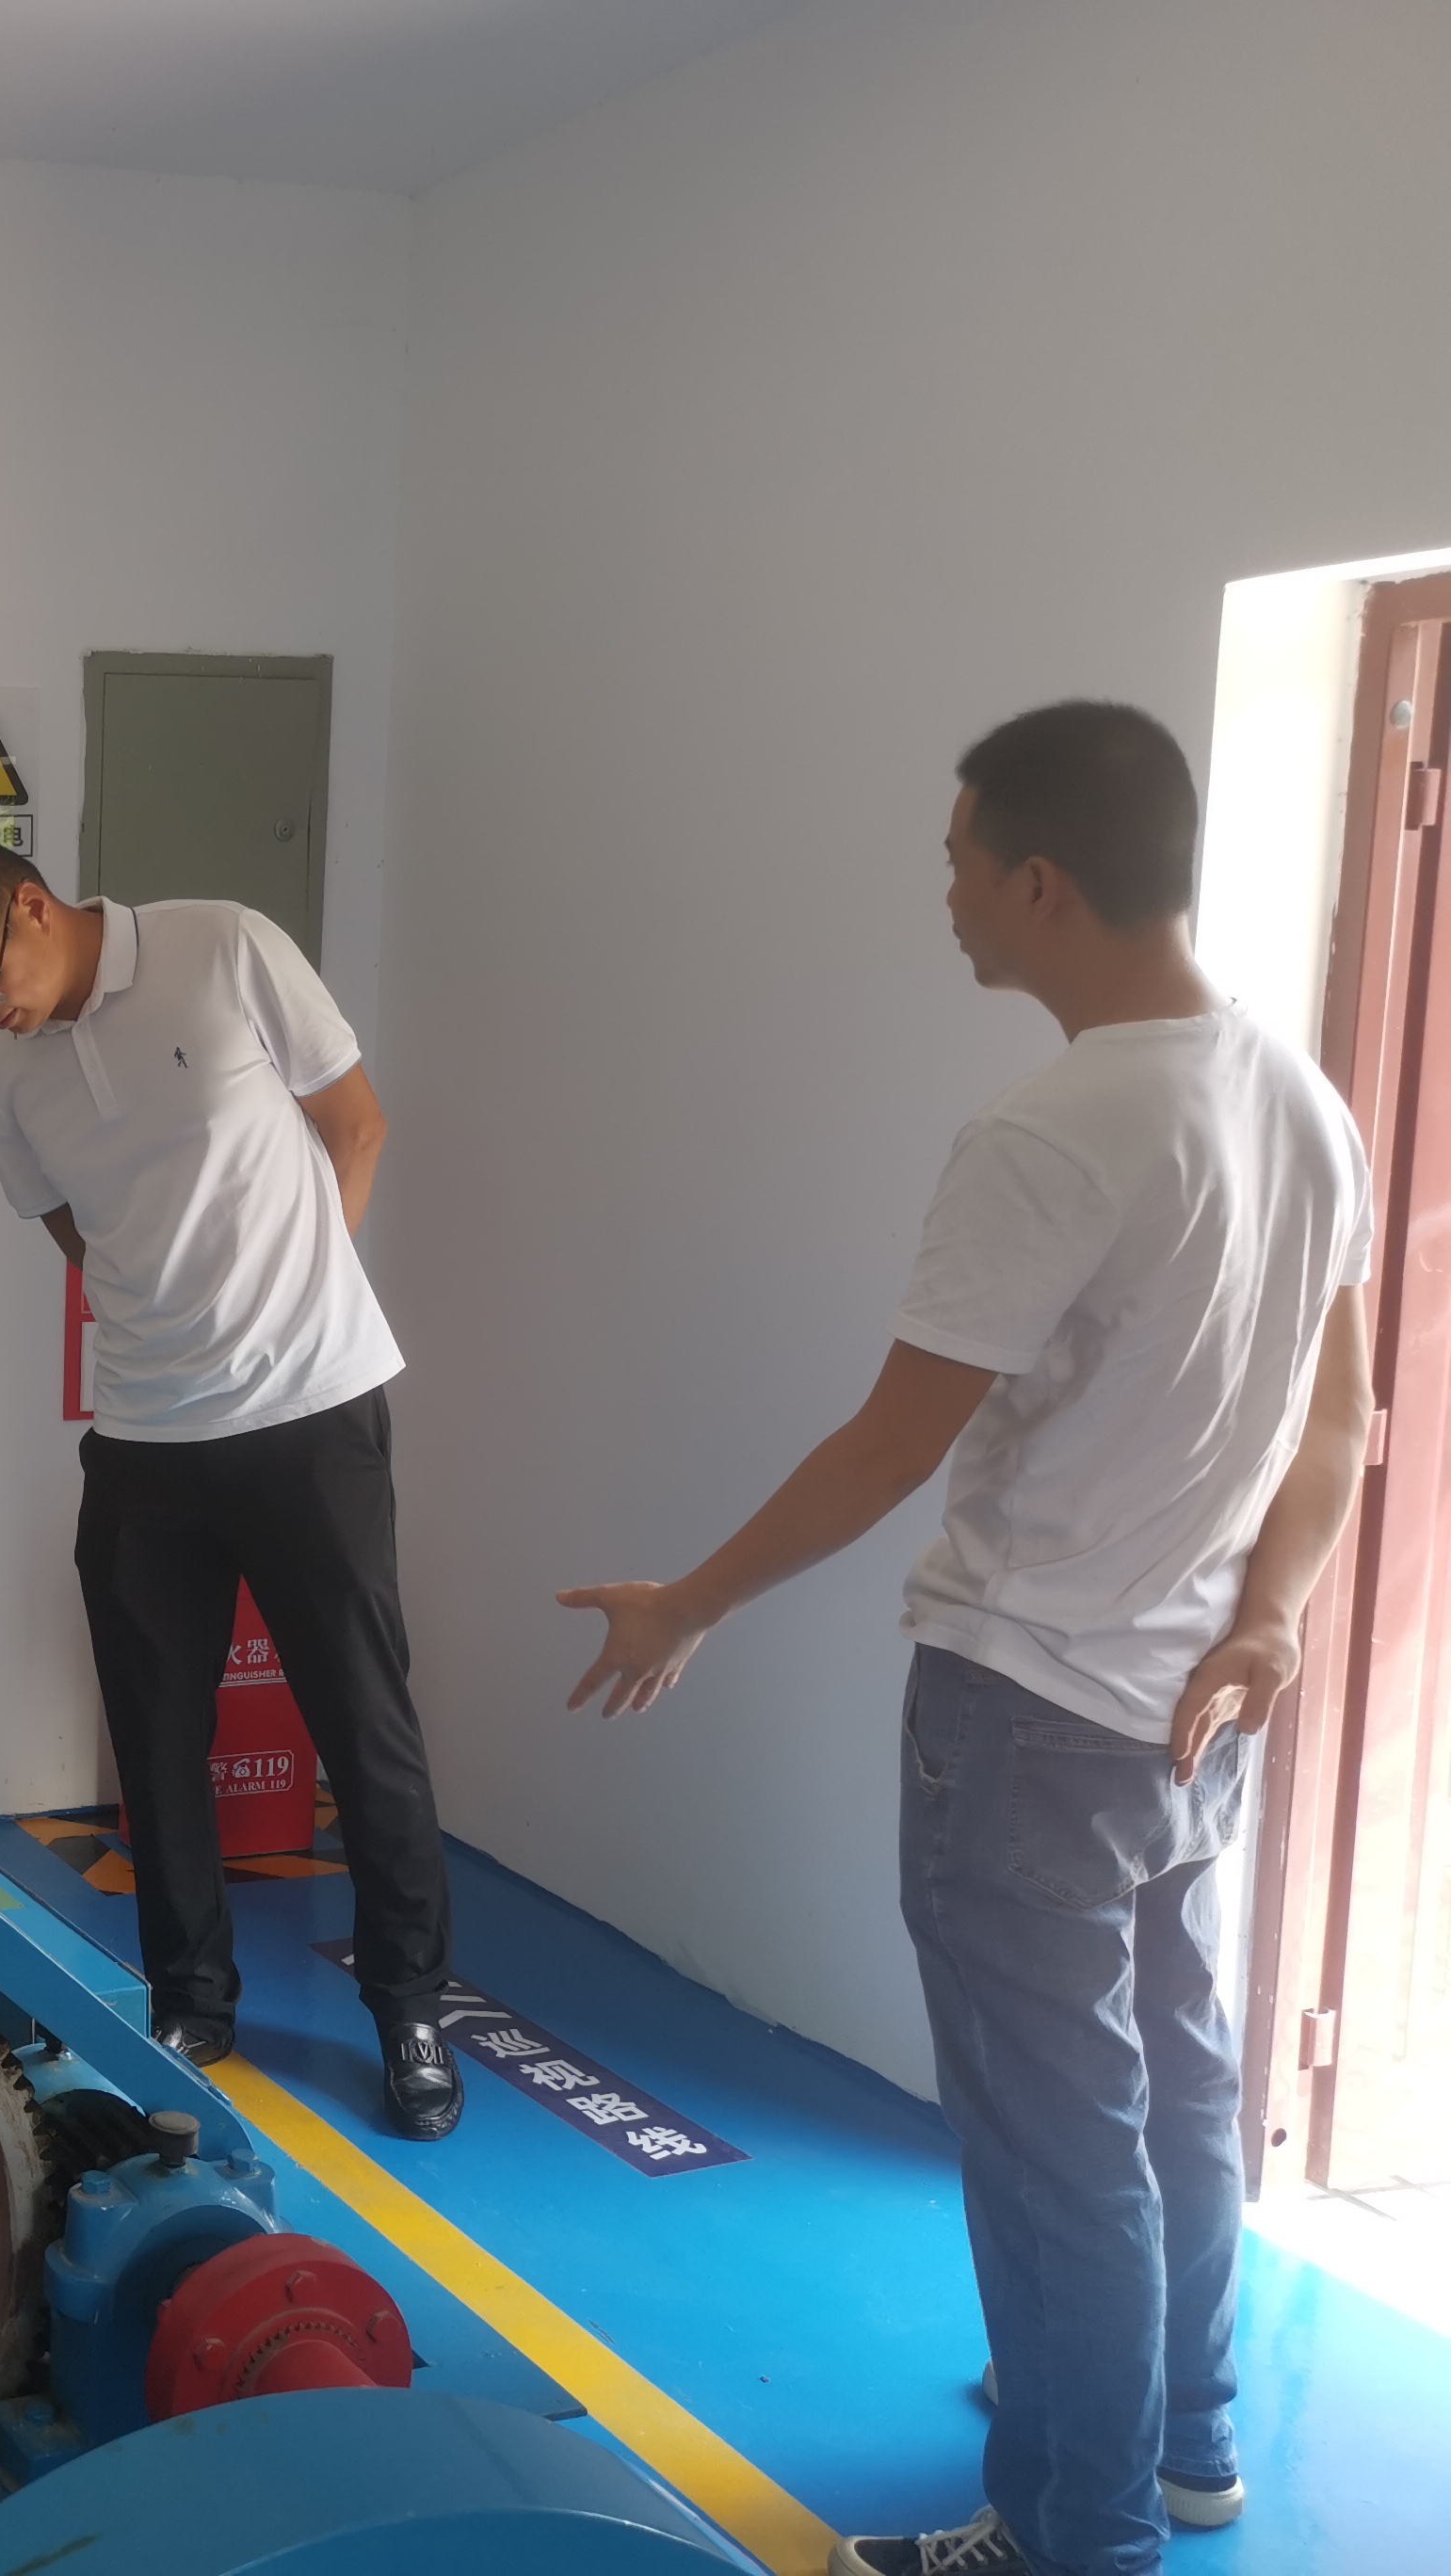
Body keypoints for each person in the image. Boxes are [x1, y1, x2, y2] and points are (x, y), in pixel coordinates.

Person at [556, 703, 1373, 2576]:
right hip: (1192, 1706)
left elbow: (889, 1445)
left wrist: (689, 1600)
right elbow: (1343, 1424)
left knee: (1051, 2148)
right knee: (1176, 2089)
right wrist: (1269, 1620)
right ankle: (1184, 2440)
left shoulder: (1051, 1131)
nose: (941, 893)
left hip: (1026, 1719)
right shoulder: (1298, 1100)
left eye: (956, 860)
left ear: (1039, 881)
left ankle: (1073, 2531)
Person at [0, 845, 462, 2137]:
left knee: (363, 1724)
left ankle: (411, 2008)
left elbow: (356, 1122)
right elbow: (69, 1222)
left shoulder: (224, 947)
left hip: (311, 1409)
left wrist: (296, 1297)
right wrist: (167, 1313)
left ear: (32, 907)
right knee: (154, 1735)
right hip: (145, 1434)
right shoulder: (2, 1063)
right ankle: (192, 1999)